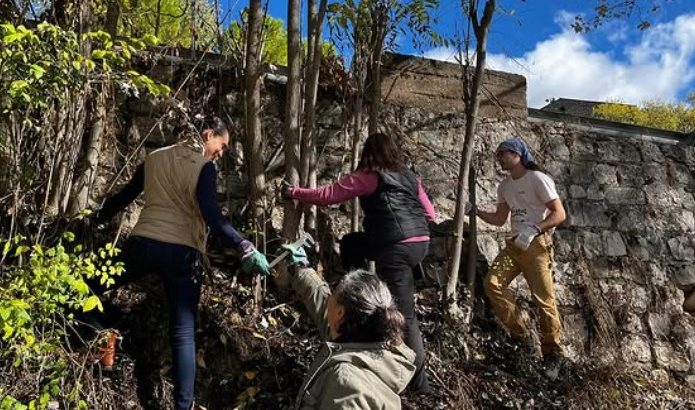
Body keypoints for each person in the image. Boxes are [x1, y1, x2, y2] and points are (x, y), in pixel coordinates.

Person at [92, 117, 270, 410]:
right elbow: (212, 215)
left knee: (87, 287)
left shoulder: (154, 157)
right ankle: (183, 406)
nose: (221, 153)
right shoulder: (203, 167)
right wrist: (244, 245)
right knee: (183, 333)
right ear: (208, 134)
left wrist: (97, 218)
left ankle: (105, 326)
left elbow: (125, 196)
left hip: (143, 245)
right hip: (183, 256)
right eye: (222, 145)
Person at [284, 132, 435, 393]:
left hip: (395, 247)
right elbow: (430, 214)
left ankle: (420, 385)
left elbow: (328, 195)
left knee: (406, 317)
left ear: (369, 153)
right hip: (419, 242)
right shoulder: (410, 176)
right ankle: (362, 292)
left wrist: (293, 192)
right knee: (352, 243)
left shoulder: (370, 176)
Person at [281, 243, 416, 409]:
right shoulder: (371, 342)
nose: (328, 298)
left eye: (333, 293)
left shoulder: (345, 384)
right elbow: (321, 303)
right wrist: (301, 270)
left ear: (340, 313)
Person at [471, 137, 567, 368]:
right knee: (492, 284)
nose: (499, 159)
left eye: (503, 153)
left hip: (536, 245)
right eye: (498, 155)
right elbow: (499, 219)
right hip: (515, 245)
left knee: (543, 299)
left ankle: (553, 353)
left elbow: (559, 213)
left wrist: (535, 229)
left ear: (517, 154)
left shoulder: (537, 179)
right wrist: (475, 211)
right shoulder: (504, 186)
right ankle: (521, 336)